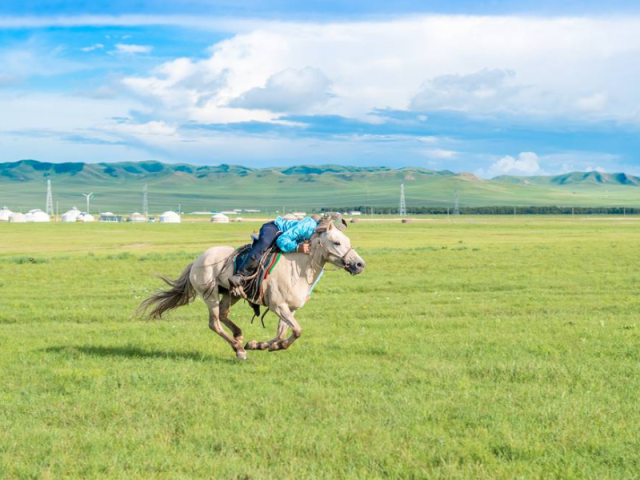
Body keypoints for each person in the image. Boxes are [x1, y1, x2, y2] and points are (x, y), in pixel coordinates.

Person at [229, 215, 320, 287]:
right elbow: (282, 240)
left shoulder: (321, 242)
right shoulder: (308, 226)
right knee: (264, 244)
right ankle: (240, 275)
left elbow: (318, 270)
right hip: (275, 228)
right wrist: (297, 248)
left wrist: (308, 291)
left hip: (289, 238)